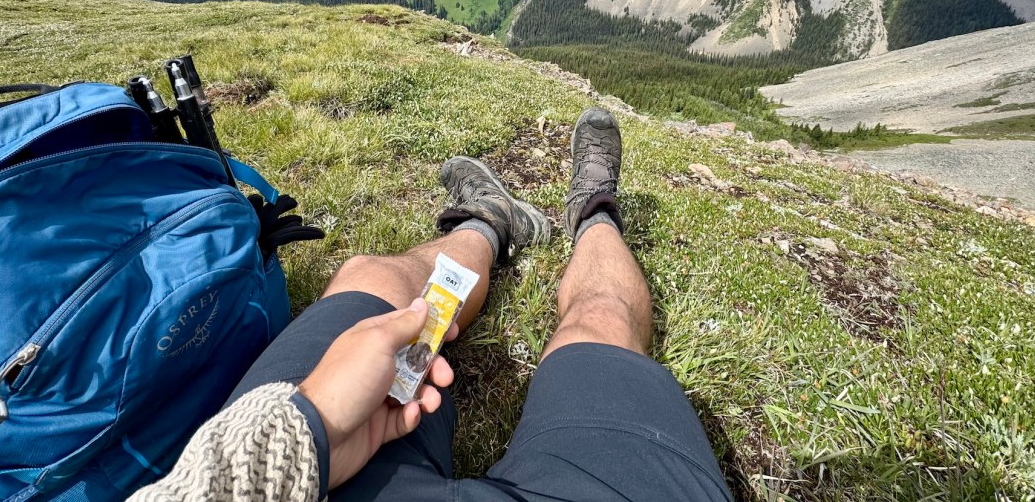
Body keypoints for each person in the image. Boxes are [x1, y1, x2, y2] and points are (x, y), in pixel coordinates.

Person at [131, 109, 733, 501]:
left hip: (290, 475)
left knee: (368, 277)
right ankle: (595, 213)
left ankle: (493, 223)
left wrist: (305, 427)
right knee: (599, 322)